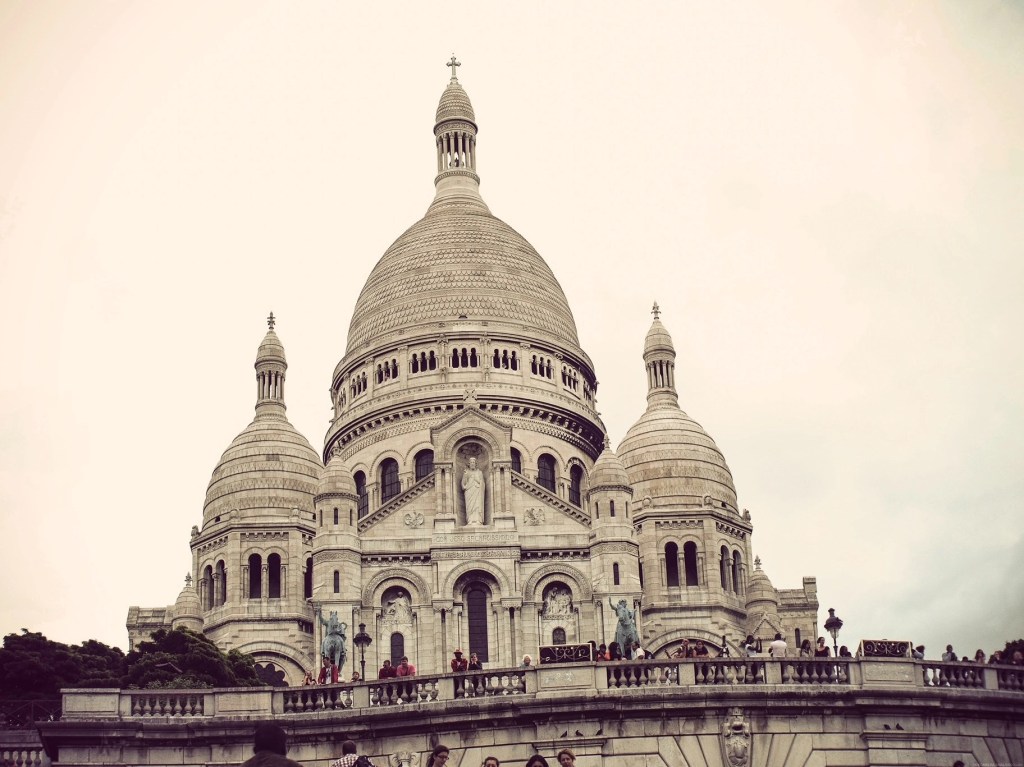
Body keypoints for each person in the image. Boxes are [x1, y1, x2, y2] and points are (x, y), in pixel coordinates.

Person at [462, 456, 485, 525]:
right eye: (471, 462)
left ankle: (478, 519)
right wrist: (465, 476)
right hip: (469, 491)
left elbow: (482, 483)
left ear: (475, 464)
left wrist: (476, 479)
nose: (472, 464)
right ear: (469, 464)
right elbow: (463, 483)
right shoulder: (466, 472)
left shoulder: (479, 472)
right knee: (470, 506)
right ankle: (470, 520)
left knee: (477, 505)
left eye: (473, 462)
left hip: (477, 490)